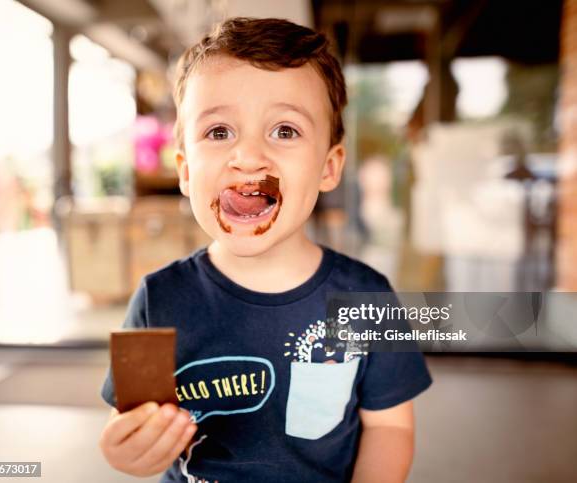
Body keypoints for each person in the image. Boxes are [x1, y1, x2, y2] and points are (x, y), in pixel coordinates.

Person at [99, 17, 432, 483]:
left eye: (285, 131)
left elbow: (390, 426)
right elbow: (133, 420)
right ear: (186, 171)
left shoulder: (363, 299)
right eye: (219, 132)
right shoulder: (159, 300)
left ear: (329, 167)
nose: (249, 156)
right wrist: (127, 450)